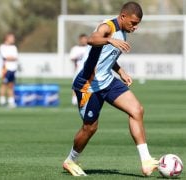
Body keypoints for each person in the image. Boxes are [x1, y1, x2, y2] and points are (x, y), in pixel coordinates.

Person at [62, 1, 158, 177]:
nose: (135, 27)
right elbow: (92, 39)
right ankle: (70, 160)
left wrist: (121, 71)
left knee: (137, 110)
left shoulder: (123, 32)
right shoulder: (107, 27)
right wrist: (108, 39)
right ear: (123, 17)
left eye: (137, 24)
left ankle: (146, 161)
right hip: (88, 85)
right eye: (133, 23)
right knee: (90, 128)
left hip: (107, 80)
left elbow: (107, 57)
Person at [0, 33, 18, 108]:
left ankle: (11, 101)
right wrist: (11, 58)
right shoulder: (2, 47)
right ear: (7, 38)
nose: (13, 39)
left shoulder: (14, 47)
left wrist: (11, 58)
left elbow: (15, 57)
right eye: (11, 38)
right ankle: (2, 100)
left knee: (11, 85)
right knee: (4, 84)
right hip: (6, 68)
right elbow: (5, 57)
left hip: (13, 69)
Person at [69, 34, 88, 105]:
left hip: (88, 69)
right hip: (78, 70)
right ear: (80, 40)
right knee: (76, 84)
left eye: (85, 39)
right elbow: (72, 58)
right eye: (83, 39)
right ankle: (74, 99)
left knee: (88, 85)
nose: (84, 41)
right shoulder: (75, 48)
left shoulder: (89, 48)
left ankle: (86, 99)